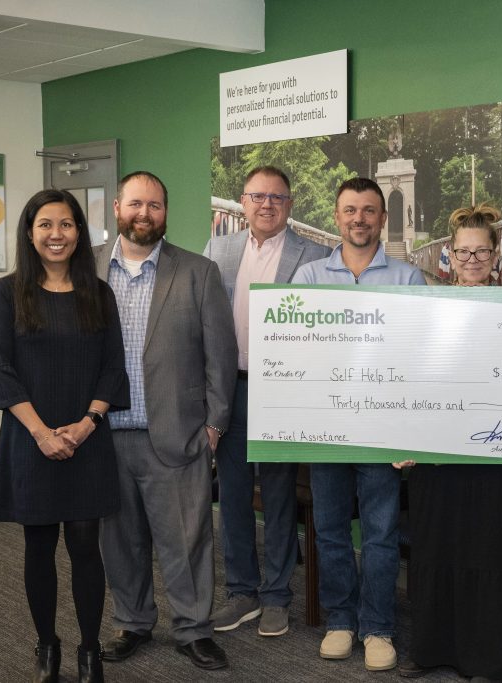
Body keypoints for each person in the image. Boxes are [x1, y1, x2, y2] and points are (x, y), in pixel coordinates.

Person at [0, 189, 129, 683]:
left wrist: (86, 425)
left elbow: (113, 370)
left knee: (87, 547)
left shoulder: (98, 294)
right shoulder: (7, 293)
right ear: (29, 232)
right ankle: (47, 646)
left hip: (87, 438)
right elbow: (1, 371)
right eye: (45, 224)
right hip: (30, 439)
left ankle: (91, 651)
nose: (56, 235)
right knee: (38, 547)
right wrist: (43, 433)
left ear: (78, 233)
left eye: (66, 225)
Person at [95, 171, 237, 671]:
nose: (145, 214)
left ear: (165, 213)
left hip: (177, 435)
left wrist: (215, 425)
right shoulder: (86, 271)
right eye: (136, 204)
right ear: (117, 208)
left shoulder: (197, 272)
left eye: (155, 205)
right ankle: (132, 622)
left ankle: (193, 630)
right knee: (119, 540)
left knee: (187, 539)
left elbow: (221, 356)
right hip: (104, 436)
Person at [397, 205, 502, 681]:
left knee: (489, 551)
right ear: (448, 256)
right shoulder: (425, 309)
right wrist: (405, 437)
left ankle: (488, 659)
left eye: (481, 251)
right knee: (435, 548)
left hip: (497, 455)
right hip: (437, 456)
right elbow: (410, 377)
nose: (472, 259)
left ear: (496, 255)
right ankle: (432, 650)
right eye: (463, 252)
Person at [293, 177, 426, 672]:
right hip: (327, 428)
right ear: (337, 215)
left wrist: (410, 429)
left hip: (382, 432)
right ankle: (341, 621)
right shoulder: (308, 278)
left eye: (369, 211)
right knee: (328, 530)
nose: (359, 219)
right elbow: (296, 354)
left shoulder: (408, 278)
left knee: (380, 533)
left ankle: (378, 628)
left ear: (383, 218)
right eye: (350, 210)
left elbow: (416, 357)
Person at [203, 166, 330, 637]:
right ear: (243, 202)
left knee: (277, 495)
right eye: (258, 196)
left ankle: (277, 595)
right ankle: (242, 592)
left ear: (290, 205)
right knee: (233, 494)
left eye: (277, 198)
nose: (267, 205)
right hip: (229, 388)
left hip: (282, 390)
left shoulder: (315, 255)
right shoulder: (218, 250)